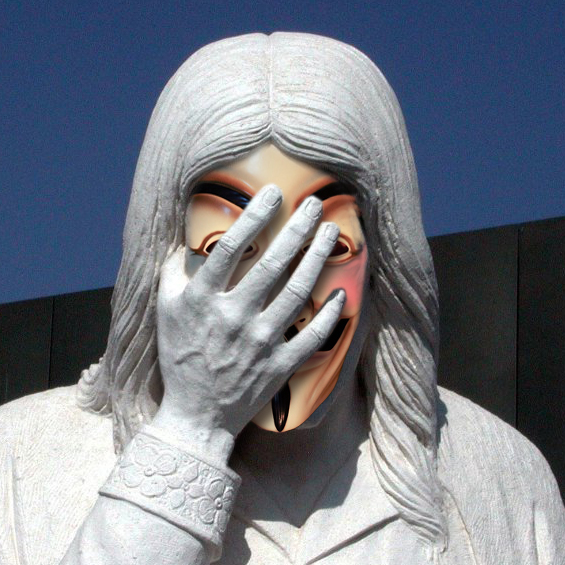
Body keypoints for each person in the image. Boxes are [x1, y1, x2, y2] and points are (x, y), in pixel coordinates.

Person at [0, 32, 563, 565]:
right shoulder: (22, 458)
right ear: (163, 263)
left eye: (329, 248)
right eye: (227, 248)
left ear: (385, 266)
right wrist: (192, 429)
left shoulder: (501, 475)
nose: (282, 302)